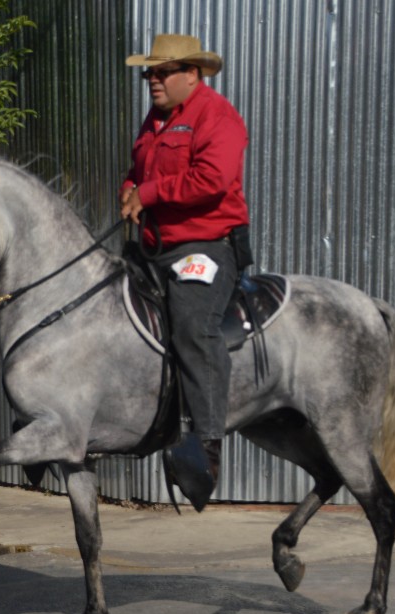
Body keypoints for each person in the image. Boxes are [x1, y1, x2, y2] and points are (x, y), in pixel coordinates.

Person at [119, 34, 250, 508]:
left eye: (162, 72)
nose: (152, 81)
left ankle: (206, 447)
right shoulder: (155, 119)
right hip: (155, 245)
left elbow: (212, 179)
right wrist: (129, 188)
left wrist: (149, 194)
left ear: (192, 74)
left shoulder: (218, 116)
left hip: (206, 245)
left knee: (194, 328)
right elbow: (139, 170)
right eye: (148, 74)